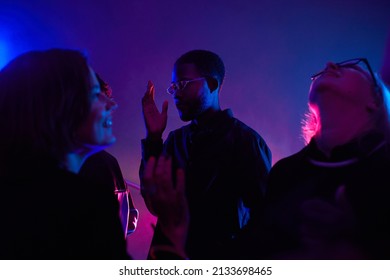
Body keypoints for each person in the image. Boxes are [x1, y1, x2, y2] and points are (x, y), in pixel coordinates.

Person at [140, 49, 272, 259]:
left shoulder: (246, 142)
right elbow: (154, 205)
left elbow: (266, 218)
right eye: (173, 87)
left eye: (182, 84)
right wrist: (153, 139)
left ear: (212, 84)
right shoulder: (175, 140)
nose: (176, 94)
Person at [0, 49, 128, 259]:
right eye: (97, 94)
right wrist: (171, 234)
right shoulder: (87, 203)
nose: (111, 105)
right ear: (60, 106)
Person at [261, 57, 390, 259]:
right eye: (320, 72)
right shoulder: (284, 172)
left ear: (375, 100)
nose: (329, 65)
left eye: (352, 67)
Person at [79, 74, 139, 238]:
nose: (112, 106)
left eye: (109, 99)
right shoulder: (107, 163)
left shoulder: (108, 163)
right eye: (102, 99)